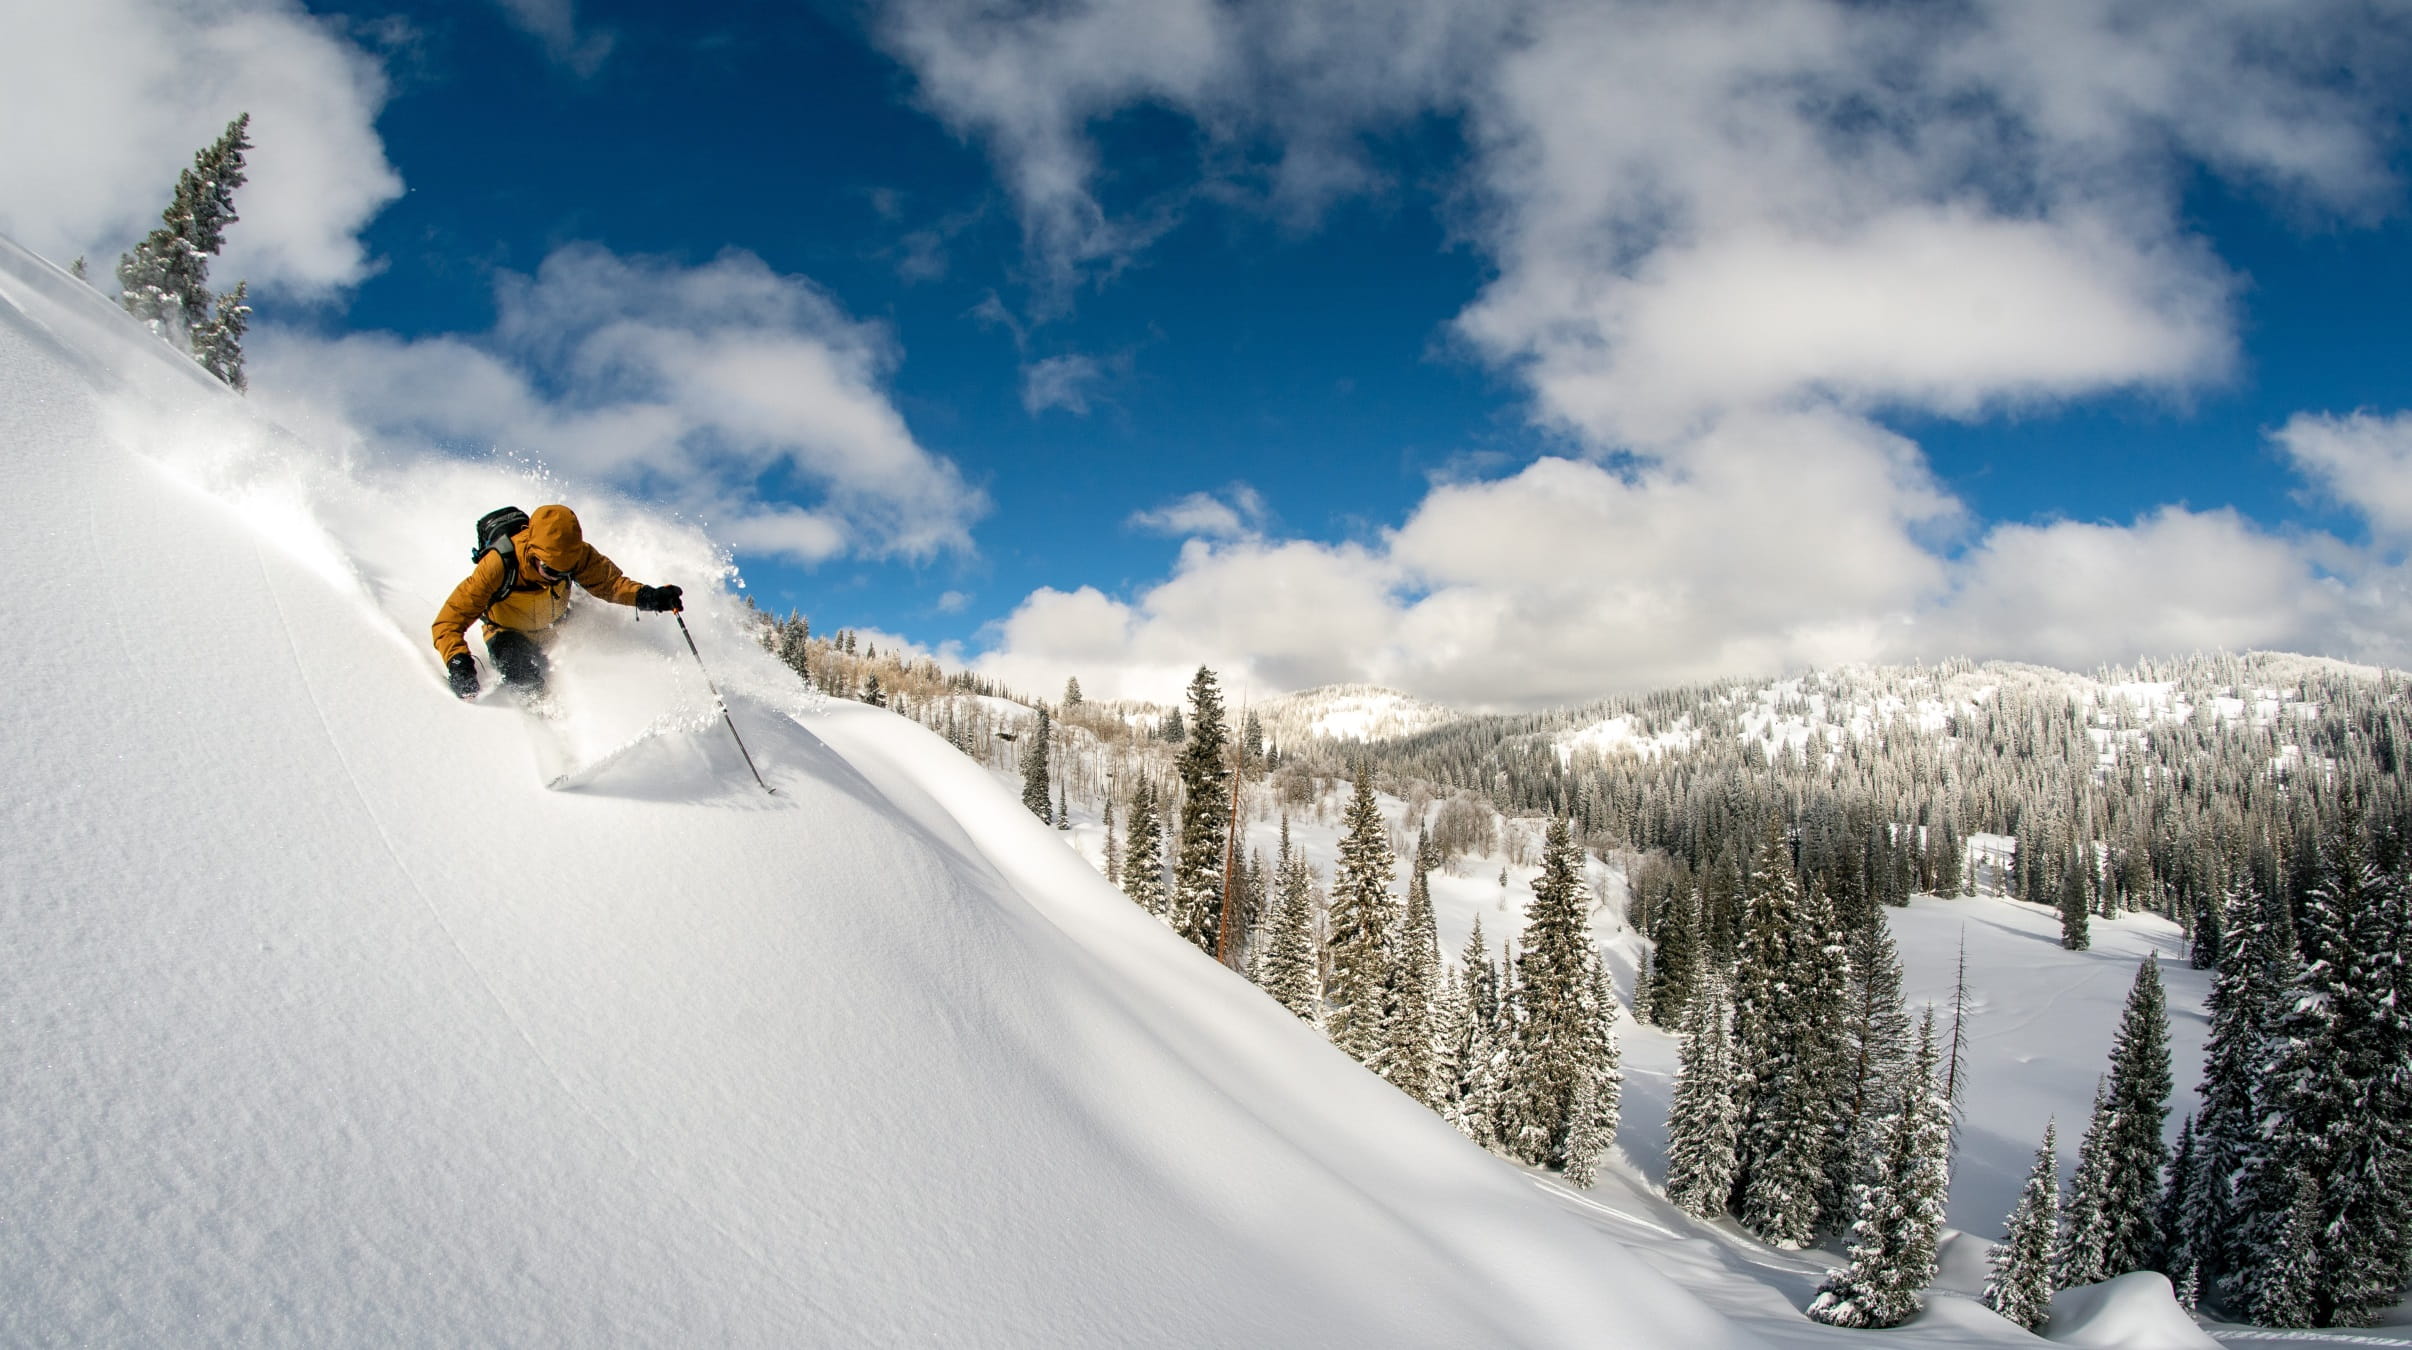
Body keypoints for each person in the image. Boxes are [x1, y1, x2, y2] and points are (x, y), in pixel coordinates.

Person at [433, 503, 682, 700]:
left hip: (558, 621)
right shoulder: (499, 564)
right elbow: (449, 621)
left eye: (566, 572)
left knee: (606, 645)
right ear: (533, 553)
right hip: (508, 632)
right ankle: (542, 725)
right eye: (551, 571)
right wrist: (459, 663)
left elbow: (611, 584)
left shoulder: (577, 554)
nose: (558, 576)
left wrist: (650, 597)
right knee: (523, 678)